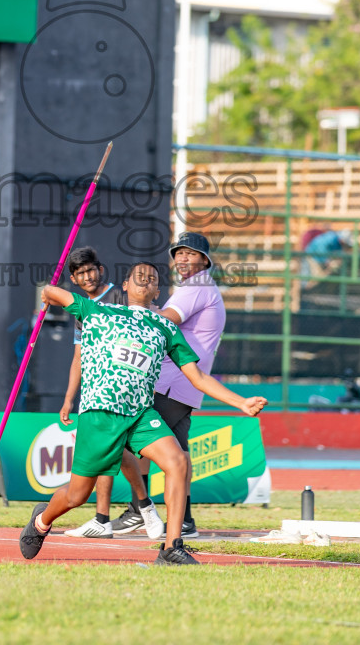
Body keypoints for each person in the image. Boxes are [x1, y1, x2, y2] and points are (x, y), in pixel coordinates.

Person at [18, 262, 267, 566]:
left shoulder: (165, 328)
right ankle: (42, 520)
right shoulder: (101, 313)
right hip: (100, 414)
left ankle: (172, 547)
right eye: (139, 276)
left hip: (139, 414)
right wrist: (46, 294)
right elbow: (54, 291)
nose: (146, 279)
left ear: (157, 291)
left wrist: (240, 402)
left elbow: (198, 377)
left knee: (177, 462)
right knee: (76, 496)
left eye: (152, 278)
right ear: (125, 286)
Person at [114, 231, 226, 538]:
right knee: (179, 452)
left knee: (138, 442)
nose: (183, 258)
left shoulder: (197, 286)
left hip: (172, 381)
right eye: (179, 253)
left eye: (190, 254)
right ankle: (185, 520)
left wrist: (130, 310)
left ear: (204, 260)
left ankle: (139, 510)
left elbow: (166, 320)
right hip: (184, 384)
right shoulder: (202, 288)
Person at [59, 247, 161, 540]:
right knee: (111, 451)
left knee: (116, 449)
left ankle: (134, 509)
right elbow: (79, 356)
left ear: (100, 270)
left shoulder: (121, 297)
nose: (88, 276)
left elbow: (149, 328)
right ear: (74, 279)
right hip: (96, 391)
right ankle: (110, 516)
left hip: (127, 390)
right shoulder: (82, 308)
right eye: (80, 274)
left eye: (91, 270)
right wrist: (69, 398)